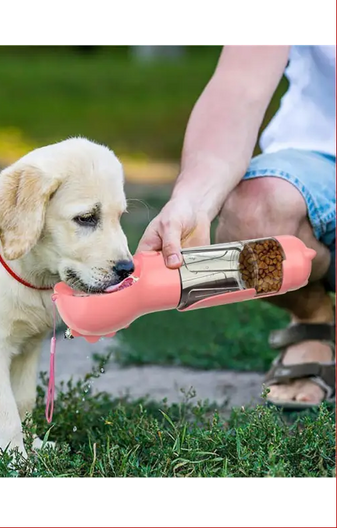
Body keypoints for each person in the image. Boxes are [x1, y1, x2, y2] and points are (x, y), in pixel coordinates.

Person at [137, 42, 335, 409]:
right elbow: (238, 86)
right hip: (319, 152)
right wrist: (193, 200)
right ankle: (315, 319)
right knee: (254, 216)